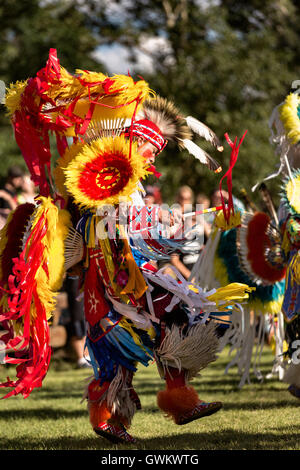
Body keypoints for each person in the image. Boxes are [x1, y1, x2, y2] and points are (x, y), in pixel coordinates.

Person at [0, 51, 252, 445]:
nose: (153, 158)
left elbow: (140, 229)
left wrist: (195, 221)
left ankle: (175, 401)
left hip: (125, 283)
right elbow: (114, 232)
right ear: (136, 143)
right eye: (151, 151)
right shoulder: (103, 186)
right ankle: (128, 415)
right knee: (151, 335)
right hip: (118, 286)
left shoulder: (125, 186)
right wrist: (185, 225)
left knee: (161, 330)